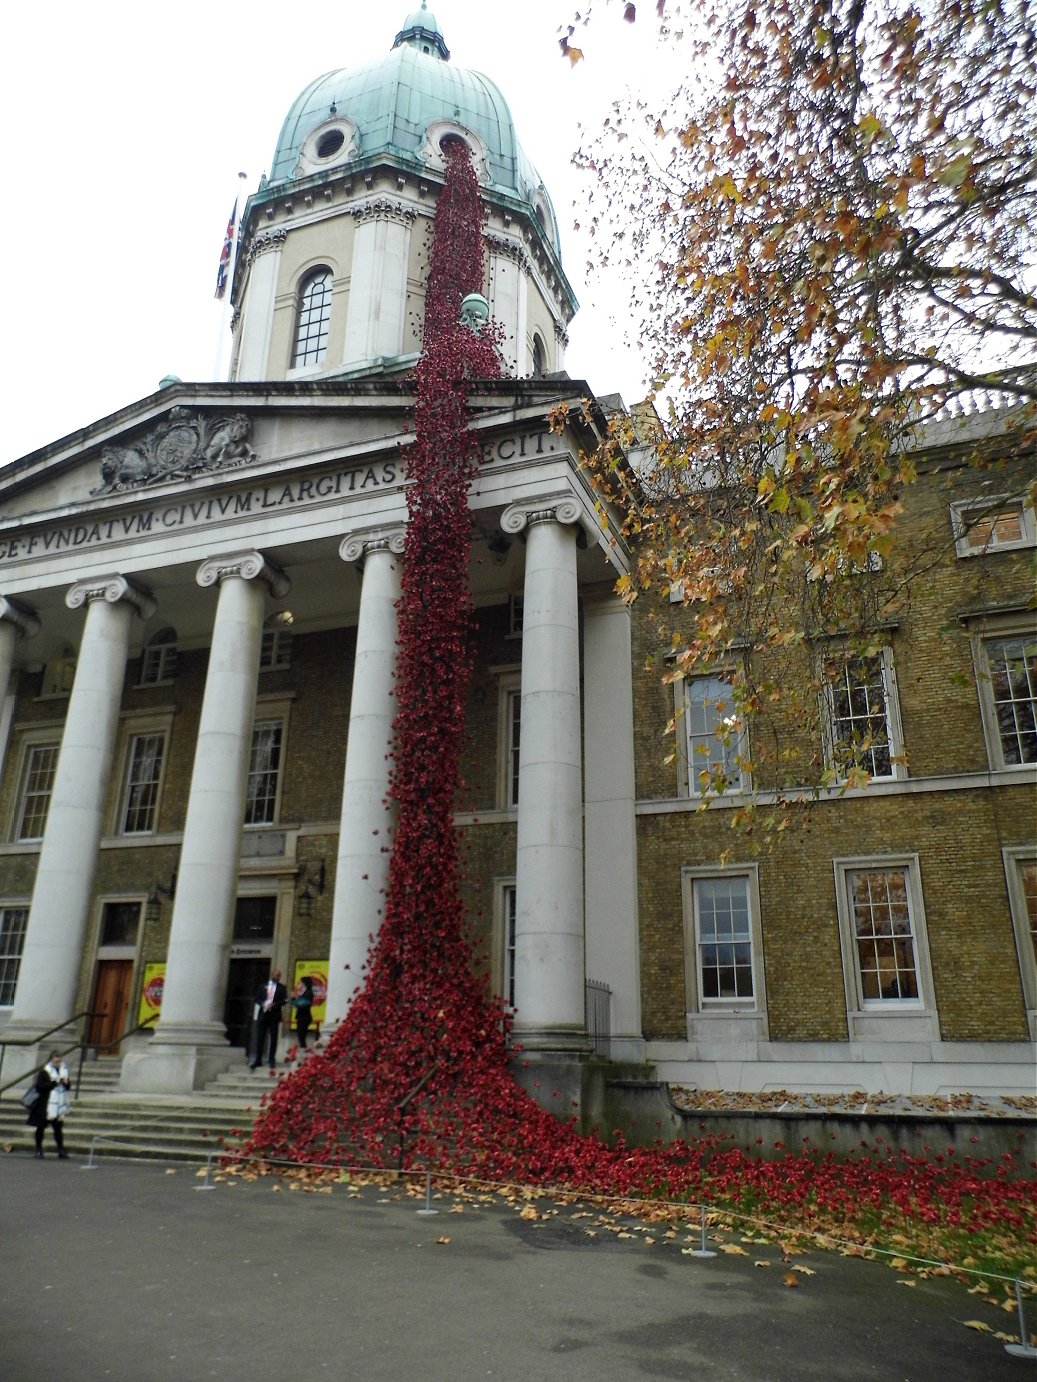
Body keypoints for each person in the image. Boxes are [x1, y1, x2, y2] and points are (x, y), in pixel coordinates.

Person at [27, 1051, 71, 1159]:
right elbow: (40, 1087)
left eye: (59, 1061)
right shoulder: (45, 1071)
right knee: (40, 1128)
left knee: (58, 1129)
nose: (57, 1063)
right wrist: (55, 1082)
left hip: (58, 1105)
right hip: (45, 1105)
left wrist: (66, 1083)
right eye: (56, 1060)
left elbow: (68, 1087)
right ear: (51, 1059)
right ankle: (38, 1149)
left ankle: (61, 1150)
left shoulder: (64, 1070)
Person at [250, 969, 287, 1070]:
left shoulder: (282, 988)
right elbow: (257, 998)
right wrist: (262, 1003)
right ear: (272, 975)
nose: (277, 977)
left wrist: (275, 1004)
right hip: (263, 1014)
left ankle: (271, 1059)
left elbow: (284, 1000)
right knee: (260, 1037)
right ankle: (258, 1059)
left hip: (274, 1015)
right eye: (275, 975)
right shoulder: (263, 986)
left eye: (279, 976)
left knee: (273, 1037)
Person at [289, 975, 315, 1052]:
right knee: (300, 1036)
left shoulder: (308, 993)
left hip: (304, 1017)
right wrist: (294, 998)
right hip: (301, 1017)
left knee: (302, 1036)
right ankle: (302, 1052)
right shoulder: (304, 993)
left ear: (304, 984)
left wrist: (293, 1000)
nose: (299, 984)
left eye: (300, 983)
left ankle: (303, 1053)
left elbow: (302, 1004)